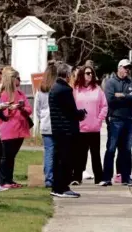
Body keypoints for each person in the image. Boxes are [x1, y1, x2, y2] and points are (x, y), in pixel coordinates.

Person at [100, 59, 132, 187]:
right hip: (115, 119)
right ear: (119, 68)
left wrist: (122, 96)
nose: (127, 70)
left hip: (128, 120)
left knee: (126, 150)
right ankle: (107, 177)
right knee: (111, 148)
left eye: (129, 68)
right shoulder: (111, 82)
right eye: (125, 68)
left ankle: (126, 177)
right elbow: (110, 99)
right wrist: (128, 97)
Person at [49, 62, 86, 198]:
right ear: (67, 74)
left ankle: (57, 186)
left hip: (58, 129)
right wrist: (81, 114)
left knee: (59, 158)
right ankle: (62, 187)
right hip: (66, 129)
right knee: (65, 160)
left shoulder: (54, 88)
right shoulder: (65, 90)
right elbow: (71, 111)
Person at [0, 66, 32, 188]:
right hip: (7, 130)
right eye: (18, 78)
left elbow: (29, 109)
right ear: (12, 79)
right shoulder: (4, 95)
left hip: (20, 129)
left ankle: (9, 180)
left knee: (12, 156)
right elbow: (0, 113)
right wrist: (10, 108)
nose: (20, 80)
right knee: (5, 156)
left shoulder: (21, 94)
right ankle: (2, 181)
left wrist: (21, 108)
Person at [73, 66, 108, 185]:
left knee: (95, 154)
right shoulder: (76, 90)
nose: (90, 75)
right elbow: (71, 106)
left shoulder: (98, 89)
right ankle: (77, 177)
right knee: (80, 154)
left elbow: (104, 106)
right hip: (80, 128)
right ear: (82, 75)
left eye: (92, 73)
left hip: (94, 127)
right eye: (87, 73)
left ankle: (99, 178)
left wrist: (99, 119)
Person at [36, 61, 57, 188]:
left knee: (48, 152)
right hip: (55, 123)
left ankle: (48, 177)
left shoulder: (40, 91)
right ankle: (54, 175)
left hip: (45, 123)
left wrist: (41, 119)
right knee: (57, 152)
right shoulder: (57, 90)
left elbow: (38, 110)